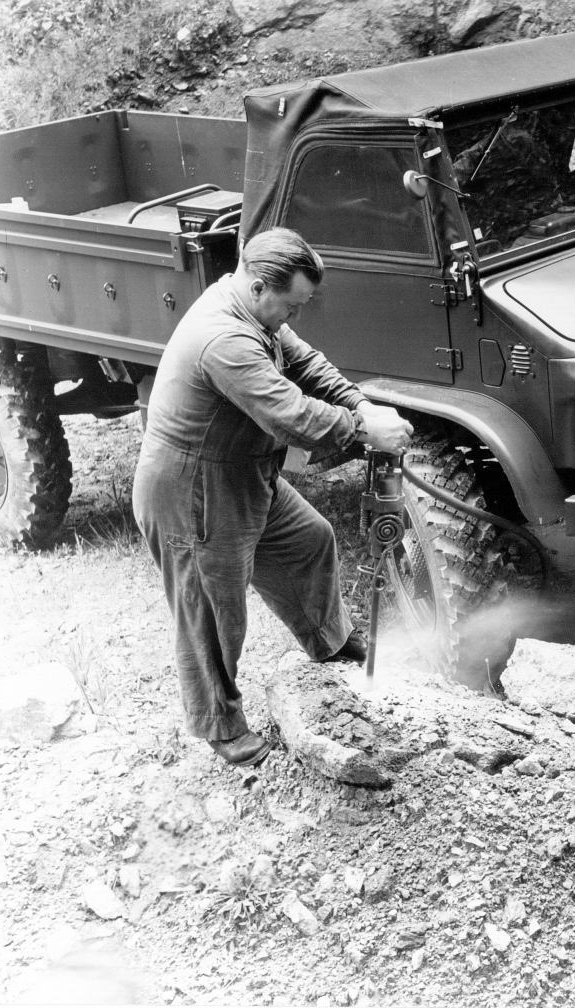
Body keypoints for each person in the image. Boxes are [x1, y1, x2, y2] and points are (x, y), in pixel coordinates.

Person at [133, 228, 413, 767]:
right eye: (291, 306)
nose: (294, 318)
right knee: (213, 609)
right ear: (261, 287)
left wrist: (362, 405)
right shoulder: (226, 338)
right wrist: (362, 429)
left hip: (241, 473)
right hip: (194, 487)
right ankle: (220, 725)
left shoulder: (255, 309)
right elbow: (292, 415)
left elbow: (307, 365)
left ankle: (328, 642)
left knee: (310, 539)